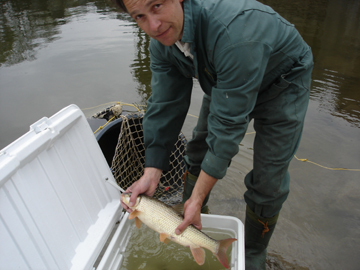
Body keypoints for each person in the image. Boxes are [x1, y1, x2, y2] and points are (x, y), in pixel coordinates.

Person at [116, 0, 313, 268]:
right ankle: (193, 220)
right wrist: (152, 172)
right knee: (197, 149)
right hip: (226, 78)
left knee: (268, 179)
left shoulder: (232, 31)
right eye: (139, 16)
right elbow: (164, 106)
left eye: (157, 6)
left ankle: (253, 252)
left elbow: (227, 130)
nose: (153, 25)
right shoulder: (161, 42)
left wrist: (196, 196)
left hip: (282, 80)